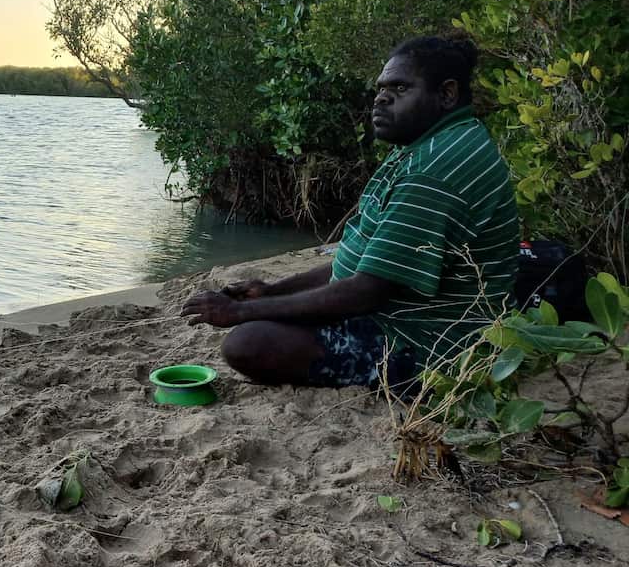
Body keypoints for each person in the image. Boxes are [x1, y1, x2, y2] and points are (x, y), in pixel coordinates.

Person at [181, 35, 519, 391]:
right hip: (418, 317)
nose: (382, 98)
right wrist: (272, 291)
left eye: (401, 88)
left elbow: (365, 291)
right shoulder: (437, 142)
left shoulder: (434, 170)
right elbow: (365, 262)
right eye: (381, 89)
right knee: (265, 323)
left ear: (447, 94)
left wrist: (239, 312)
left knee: (247, 343)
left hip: (432, 345)